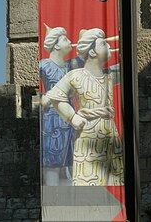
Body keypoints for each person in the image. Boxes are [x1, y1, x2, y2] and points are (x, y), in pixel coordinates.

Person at [47, 28, 124, 186]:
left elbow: (126, 68)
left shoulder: (109, 76)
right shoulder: (75, 75)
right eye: (104, 44)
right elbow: (55, 96)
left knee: (115, 182)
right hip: (88, 134)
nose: (109, 47)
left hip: (110, 135)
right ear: (93, 52)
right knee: (89, 183)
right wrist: (73, 117)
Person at [40, 25, 75, 186]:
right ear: (56, 45)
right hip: (52, 118)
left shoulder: (71, 66)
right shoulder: (44, 65)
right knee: (52, 162)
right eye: (65, 39)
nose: (70, 41)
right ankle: (52, 197)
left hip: (69, 116)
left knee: (71, 161)